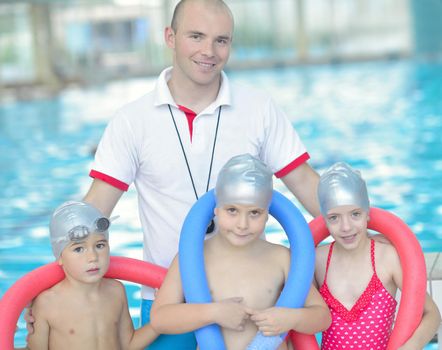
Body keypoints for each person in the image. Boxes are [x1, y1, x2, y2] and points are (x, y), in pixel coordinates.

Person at [26, 0, 321, 348]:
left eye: (221, 40)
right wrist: (48, 286)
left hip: (244, 303)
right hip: (166, 298)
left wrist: (370, 229)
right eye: (196, 36)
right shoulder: (132, 120)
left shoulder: (259, 109)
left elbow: (304, 182)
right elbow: (94, 211)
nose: (208, 51)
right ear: (170, 36)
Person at [150, 154, 331, 350]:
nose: (242, 224)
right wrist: (213, 313)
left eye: (254, 213)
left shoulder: (281, 258)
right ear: (216, 210)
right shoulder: (193, 258)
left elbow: (322, 317)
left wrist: (293, 317)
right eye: (232, 210)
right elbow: (160, 318)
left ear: (267, 213)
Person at [314, 162, 441, 350]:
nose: (346, 227)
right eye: (334, 217)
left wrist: (409, 347)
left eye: (355, 214)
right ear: (324, 219)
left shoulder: (386, 258)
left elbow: (432, 314)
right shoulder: (318, 260)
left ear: (367, 213)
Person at [26, 201, 158, 350]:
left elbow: (128, 344)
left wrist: (157, 323)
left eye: (100, 245)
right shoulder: (47, 303)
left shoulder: (116, 291)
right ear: (60, 257)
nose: (93, 257)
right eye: (79, 249)